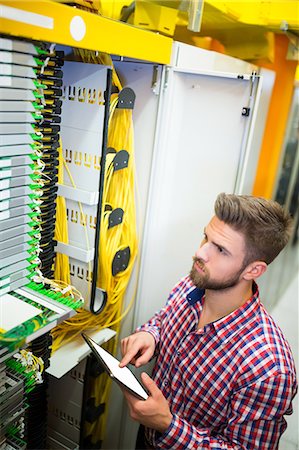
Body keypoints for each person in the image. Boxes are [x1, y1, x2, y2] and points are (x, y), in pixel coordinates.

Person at [119, 193, 298, 449]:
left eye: (221, 249)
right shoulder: (192, 284)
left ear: (253, 270)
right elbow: (164, 319)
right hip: (148, 438)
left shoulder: (268, 369)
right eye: (206, 237)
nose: (200, 252)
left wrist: (168, 425)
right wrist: (151, 335)